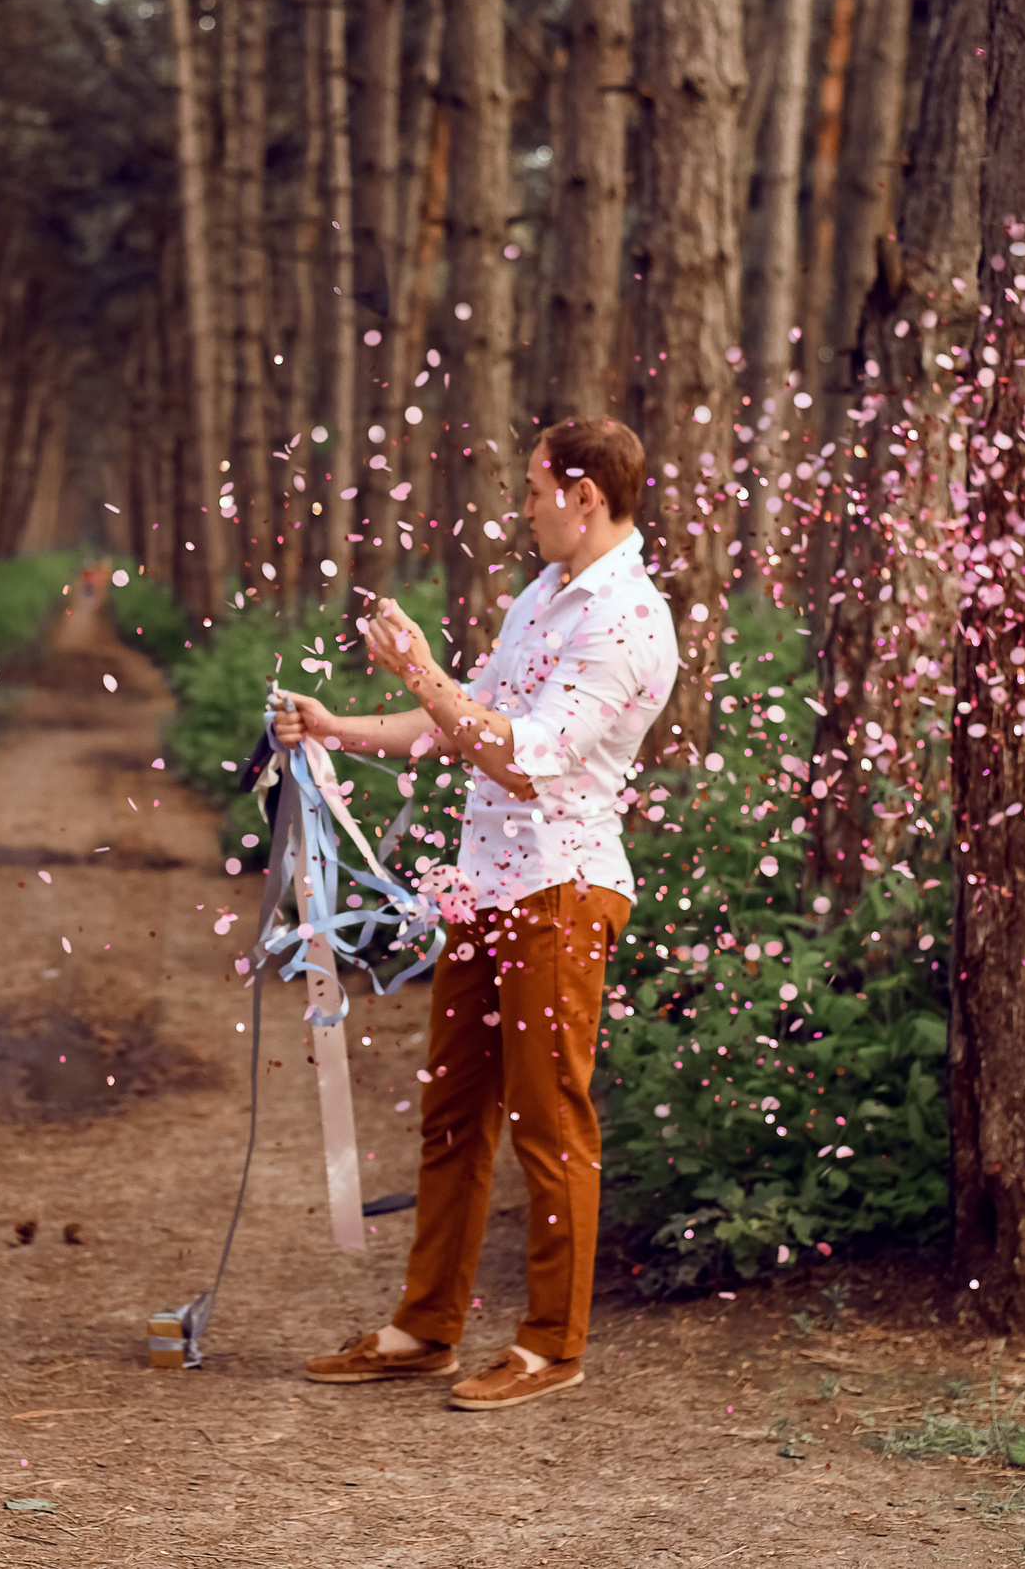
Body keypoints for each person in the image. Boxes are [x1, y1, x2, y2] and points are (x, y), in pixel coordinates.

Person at [274, 416, 679, 1412]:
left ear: (585, 495)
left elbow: (517, 755)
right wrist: (340, 727)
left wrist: (422, 671)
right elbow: (461, 722)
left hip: (563, 888)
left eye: (537, 488)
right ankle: (424, 1328)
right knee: (453, 1116)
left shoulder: (627, 620)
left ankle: (551, 1344)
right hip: (489, 887)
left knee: (549, 1121)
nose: (526, 506)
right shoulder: (544, 594)